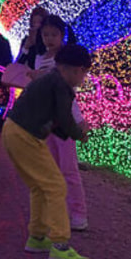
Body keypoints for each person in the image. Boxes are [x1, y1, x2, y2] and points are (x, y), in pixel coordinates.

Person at [2, 44, 92, 259]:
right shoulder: (60, 84)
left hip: (14, 131)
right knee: (55, 186)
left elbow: (57, 122)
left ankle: (37, 236)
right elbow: (64, 117)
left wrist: (72, 132)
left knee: (40, 186)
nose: (83, 79)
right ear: (76, 69)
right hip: (25, 135)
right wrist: (79, 134)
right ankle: (60, 245)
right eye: (84, 74)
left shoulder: (51, 80)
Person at [32, 15, 88, 231]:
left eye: (54, 34)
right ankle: (56, 213)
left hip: (65, 120)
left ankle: (78, 213)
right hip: (47, 121)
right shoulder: (39, 58)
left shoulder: (68, 57)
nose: (49, 39)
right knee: (50, 170)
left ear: (62, 35)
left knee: (69, 170)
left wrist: (80, 121)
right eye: (45, 35)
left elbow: (68, 92)